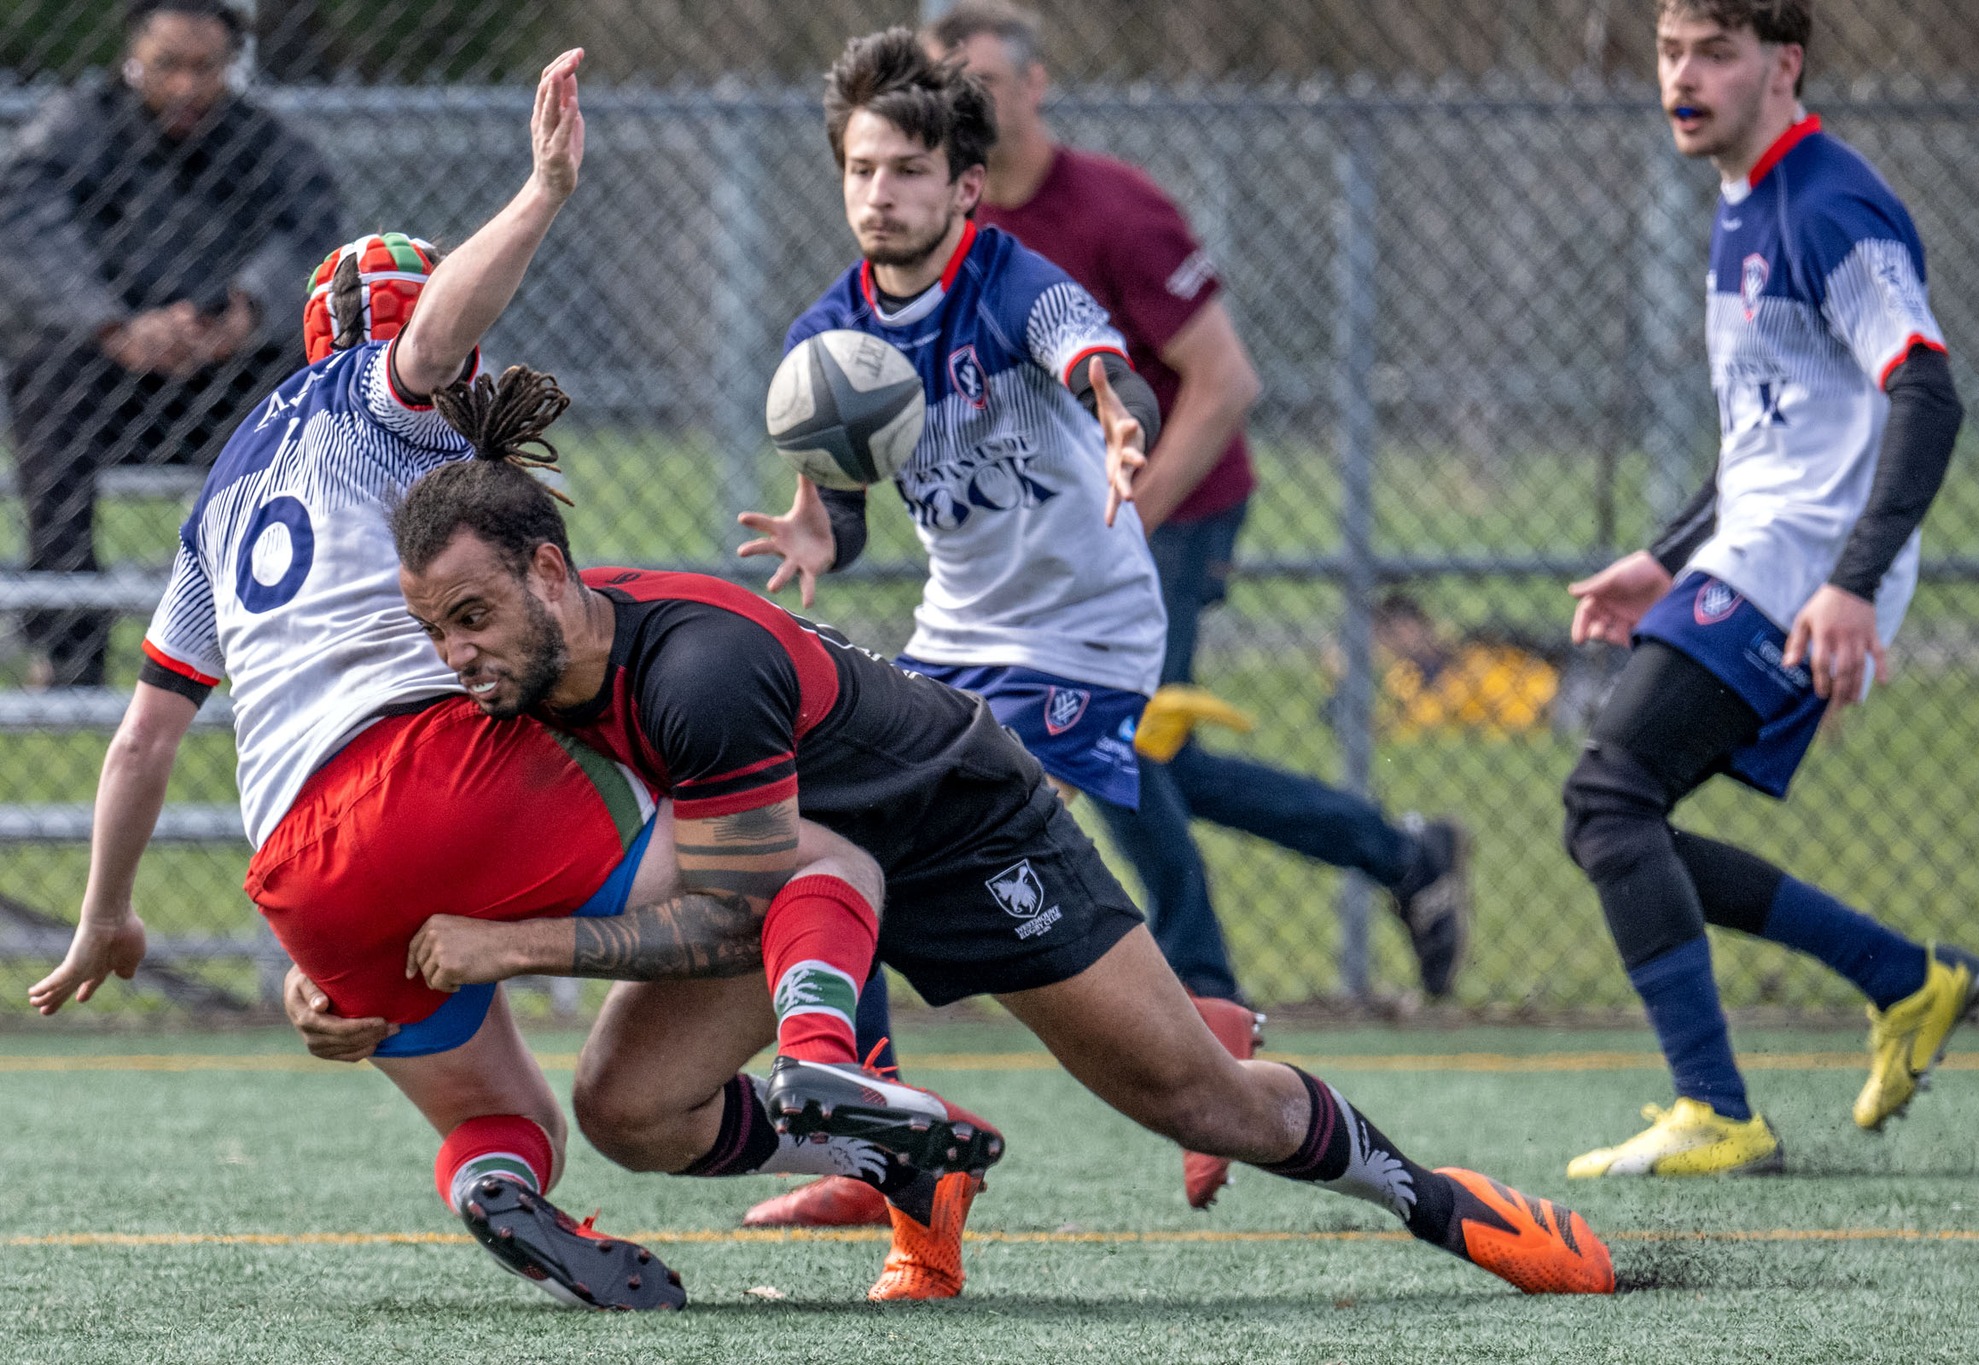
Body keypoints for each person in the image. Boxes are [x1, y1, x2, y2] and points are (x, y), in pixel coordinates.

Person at [381, 366, 1620, 1306]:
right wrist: (354, 972)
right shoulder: (524, 676)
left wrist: (509, 948)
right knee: (627, 1110)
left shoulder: (692, 672)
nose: (457, 655)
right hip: (820, 874)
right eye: (436, 629)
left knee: (1200, 1101)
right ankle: (906, 1158)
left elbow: (726, 909)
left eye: (475, 615)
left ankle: (1436, 1202)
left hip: (969, 835)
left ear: (551, 573)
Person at [26, 51, 880, 1312]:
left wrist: (108, 915)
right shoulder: (387, 400)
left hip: (297, 869)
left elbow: (143, 742)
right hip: (436, 773)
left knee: (508, 1118)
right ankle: (846, 1093)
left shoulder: (222, 497)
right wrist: (539, 191)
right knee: (804, 868)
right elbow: (424, 343)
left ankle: (496, 1189)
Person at [730, 28, 1207, 1226]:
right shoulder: (827, 342)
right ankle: (872, 1134)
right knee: (835, 834)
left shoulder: (1010, 281)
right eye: (860, 170)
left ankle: (1192, 1040)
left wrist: (1116, 411)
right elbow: (844, 521)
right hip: (958, 633)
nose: (879, 194)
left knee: (934, 850)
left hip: (1083, 636)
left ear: (962, 186)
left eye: (905, 171)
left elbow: (1097, 357)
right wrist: (815, 537)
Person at [928, 4, 1472, 1006]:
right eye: (943, 90)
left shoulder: (1114, 209)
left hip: (1175, 508)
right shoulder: (956, 225)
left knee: (1119, 745)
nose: (960, 107)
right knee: (1160, 756)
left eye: (984, 88)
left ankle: (1205, 993)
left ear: (1035, 86)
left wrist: (1127, 521)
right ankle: (1403, 854)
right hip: (1066, 534)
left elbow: (1223, 382)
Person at [1560, 0, 1979, 1179]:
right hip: (1756, 554)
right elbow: (1776, 432)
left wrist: (1852, 584)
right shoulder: (1741, 198)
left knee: (1607, 802)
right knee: (1616, 821)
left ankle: (1717, 1111)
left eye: (1713, 53)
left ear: (1781, 64)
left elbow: (1926, 389)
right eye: (1667, 52)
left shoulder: (1825, 201)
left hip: (1802, 572)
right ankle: (1907, 978)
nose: (1680, 77)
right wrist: (1665, 551)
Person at [0, 0, 342, 687]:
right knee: (46, 368)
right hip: (100, 384)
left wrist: (246, 309)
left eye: (205, 68)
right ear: (132, 59)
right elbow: (25, 225)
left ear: (230, 67)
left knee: (294, 376)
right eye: (167, 66)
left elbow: (312, 226)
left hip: (221, 380)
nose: (186, 86)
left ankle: (257, 636)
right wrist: (110, 324)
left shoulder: (262, 142)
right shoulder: (75, 129)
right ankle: (70, 649)